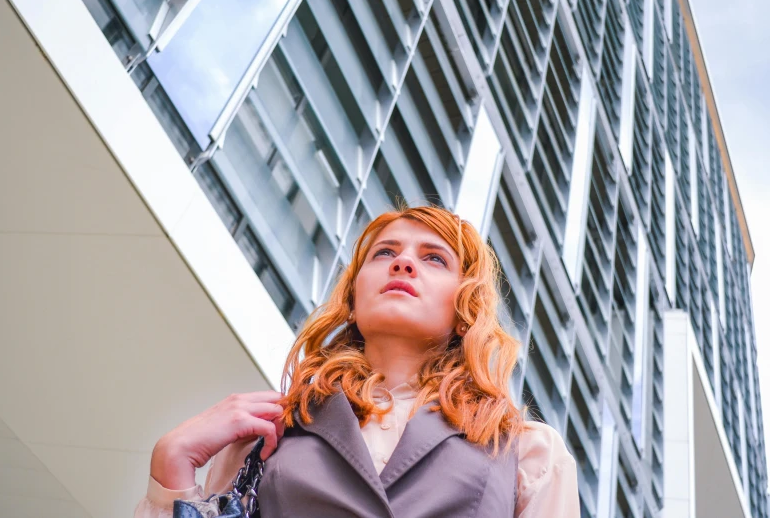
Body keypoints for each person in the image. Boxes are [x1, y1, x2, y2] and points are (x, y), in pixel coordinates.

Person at [135, 205, 579, 517]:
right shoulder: (268, 433)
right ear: (351, 299)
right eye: (385, 253)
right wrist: (172, 465)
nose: (403, 263)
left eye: (434, 259)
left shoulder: (528, 453)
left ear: (466, 312)